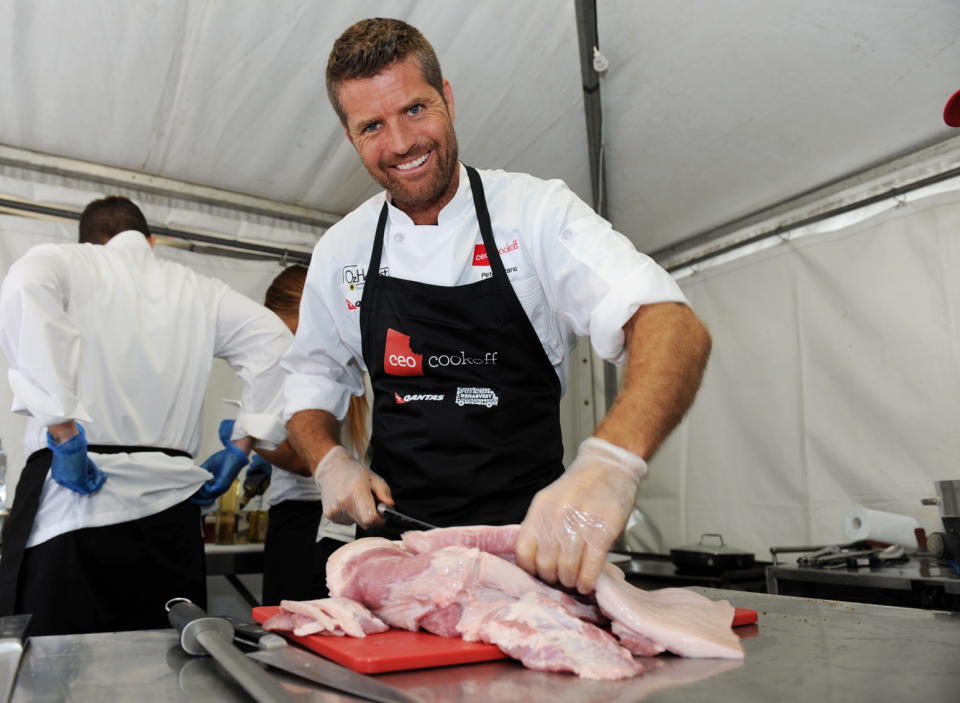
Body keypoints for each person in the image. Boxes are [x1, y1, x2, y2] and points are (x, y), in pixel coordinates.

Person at [283, 18, 712, 595]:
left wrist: (612, 462)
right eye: (372, 126)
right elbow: (311, 379)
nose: (402, 142)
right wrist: (328, 458)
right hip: (396, 552)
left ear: (449, 98)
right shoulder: (342, 250)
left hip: (531, 551)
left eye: (415, 109)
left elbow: (669, 322)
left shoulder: (533, 213)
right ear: (350, 137)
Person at [0, 195, 292, 635]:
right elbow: (274, 340)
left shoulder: (64, 261)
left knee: (55, 668)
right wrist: (244, 443)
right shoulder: (200, 290)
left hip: (73, 499)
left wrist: (63, 429)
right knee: (167, 662)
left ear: (89, 241)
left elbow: (23, 286)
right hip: (171, 507)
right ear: (150, 241)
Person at [259, 265, 369, 604]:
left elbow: (305, 460)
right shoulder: (363, 361)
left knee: (290, 643)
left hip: (303, 523)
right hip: (351, 523)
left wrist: (254, 441)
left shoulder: (302, 372)